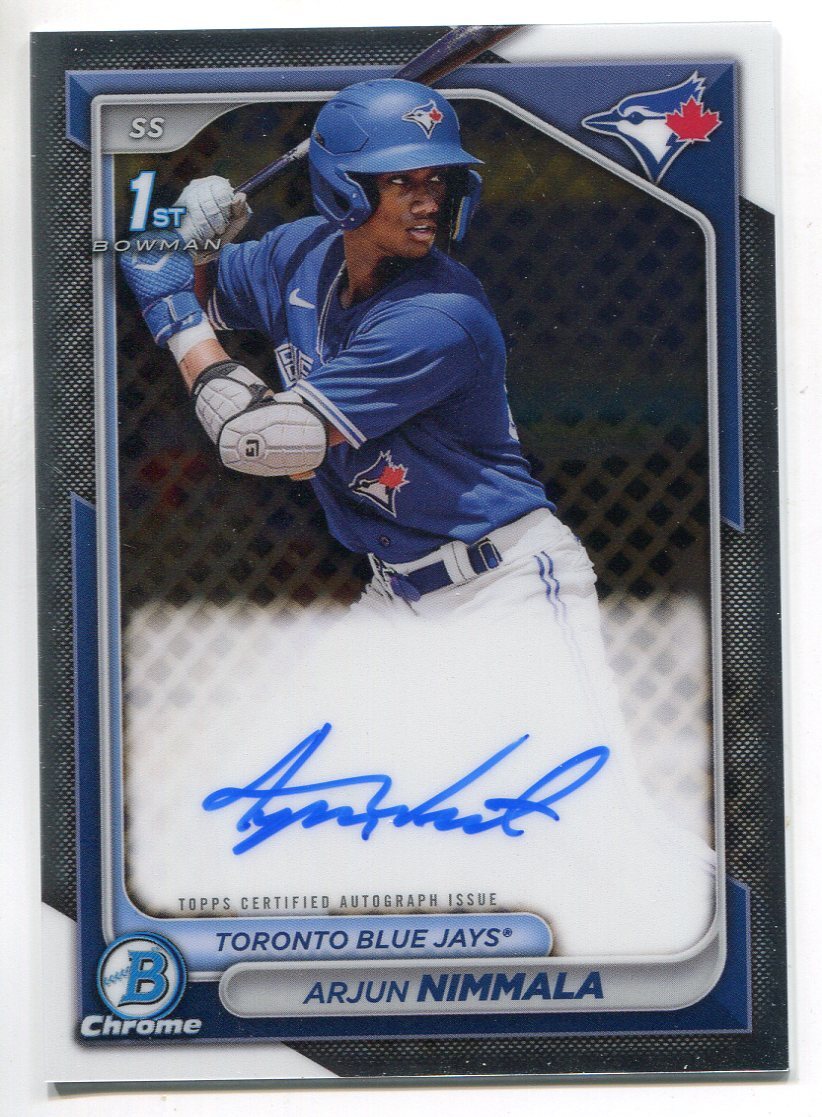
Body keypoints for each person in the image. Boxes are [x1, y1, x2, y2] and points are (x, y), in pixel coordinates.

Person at [121, 79, 716, 956]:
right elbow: (188, 282)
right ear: (342, 189)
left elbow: (264, 440)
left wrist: (172, 314)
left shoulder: (441, 313)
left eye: (437, 178)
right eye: (401, 180)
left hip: (506, 591)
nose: (427, 197)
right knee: (278, 780)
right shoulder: (298, 255)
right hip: (400, 597)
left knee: (599, 829)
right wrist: (180, 236)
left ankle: (757, 937)